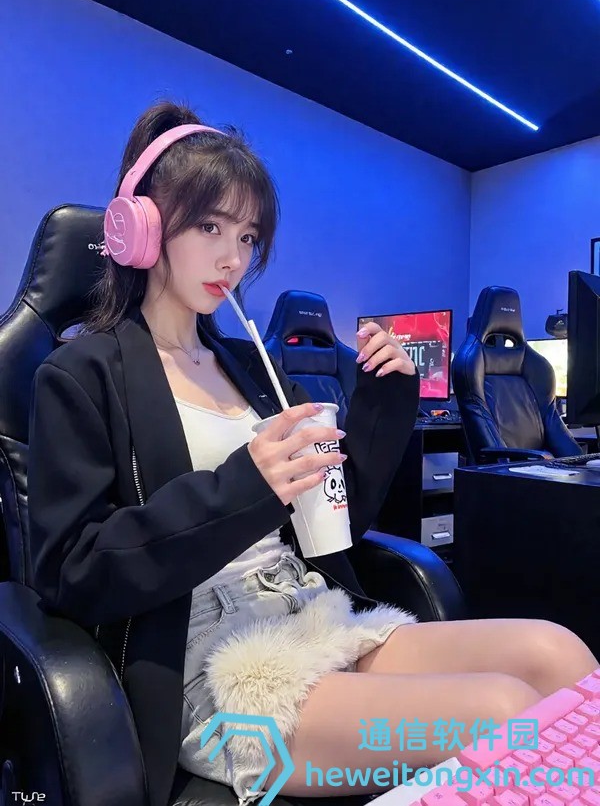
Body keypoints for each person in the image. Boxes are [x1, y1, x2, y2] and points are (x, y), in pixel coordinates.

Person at [27, 101, 599, 806]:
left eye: (247, 235)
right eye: (209, 226)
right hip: (208, 660)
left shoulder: (252, 368)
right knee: (503, 713)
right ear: (142, 225)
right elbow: (71, 569)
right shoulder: (82, 374)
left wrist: (384, 401)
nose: (233, 257)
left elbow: (334, 523)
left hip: (310, 611)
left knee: (559, 655)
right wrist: (244, 487)